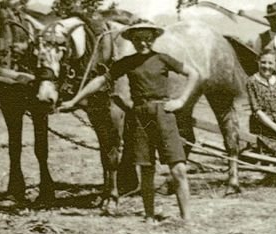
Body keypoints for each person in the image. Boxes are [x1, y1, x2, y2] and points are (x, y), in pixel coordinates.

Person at [59, 22, 199, 222]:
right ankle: (149, 216)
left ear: (153, 39)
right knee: (146, 169)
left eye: (147, 38)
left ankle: (187, 219)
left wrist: (181, 101)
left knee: (178, 168)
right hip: (140, 116)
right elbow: (100, 80)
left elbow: (194, 73)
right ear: (132, 41)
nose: (143, 43)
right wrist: (74, 100)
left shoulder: (162, 59)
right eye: (138, 39)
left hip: (163, 113)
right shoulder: (127, 62)